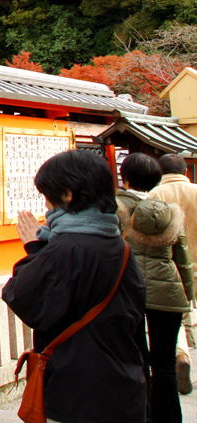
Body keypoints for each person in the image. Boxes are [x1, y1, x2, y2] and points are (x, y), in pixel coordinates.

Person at [3, 149, 147, 423]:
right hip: (125, 383)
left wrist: (34, 249)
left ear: (67, 195)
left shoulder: (65, 248)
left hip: (78, 389)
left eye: (47, 196)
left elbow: (26, 299)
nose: (46, 206)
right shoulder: (120, 245)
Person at [117, 152, 193, 423]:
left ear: (124, 178)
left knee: (137, 360)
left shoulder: (117, 209)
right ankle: (170, 418)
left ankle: (144, 415)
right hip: (169, 290)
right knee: (165, 364)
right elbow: (181, 256)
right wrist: (189, 295)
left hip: (130, 291)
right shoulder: (169, 211)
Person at [150, 152, 197, 393]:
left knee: (175, 319)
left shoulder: (155, 196)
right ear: (185, 171)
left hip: (171, 266)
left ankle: (182, 355)